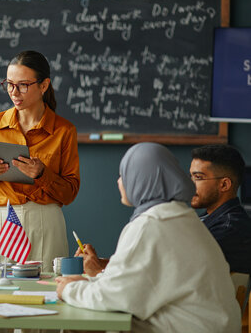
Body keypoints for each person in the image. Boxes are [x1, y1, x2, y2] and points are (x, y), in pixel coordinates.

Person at [56, 142, 241, 333]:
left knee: (76, 327)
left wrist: (70, 289)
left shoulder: (151, 224)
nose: (119, 182)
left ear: (142, 179)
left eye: (124, 174)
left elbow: (119, 298)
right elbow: (129, 286)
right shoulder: (180, 217)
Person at [0, 50, 80, 272]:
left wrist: (42, 175)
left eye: (23, 85)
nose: (14, 92)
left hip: (46, 220)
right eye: (9, 84)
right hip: (2, 219)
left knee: (48, 285)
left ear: (44, 85)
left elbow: (70, 192)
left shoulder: (64, 130)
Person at [190, 144, 251, 274]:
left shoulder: (229, 229)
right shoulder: (207, 218)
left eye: (198, 177)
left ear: (224, 184)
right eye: (191, 176)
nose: (190, 185)